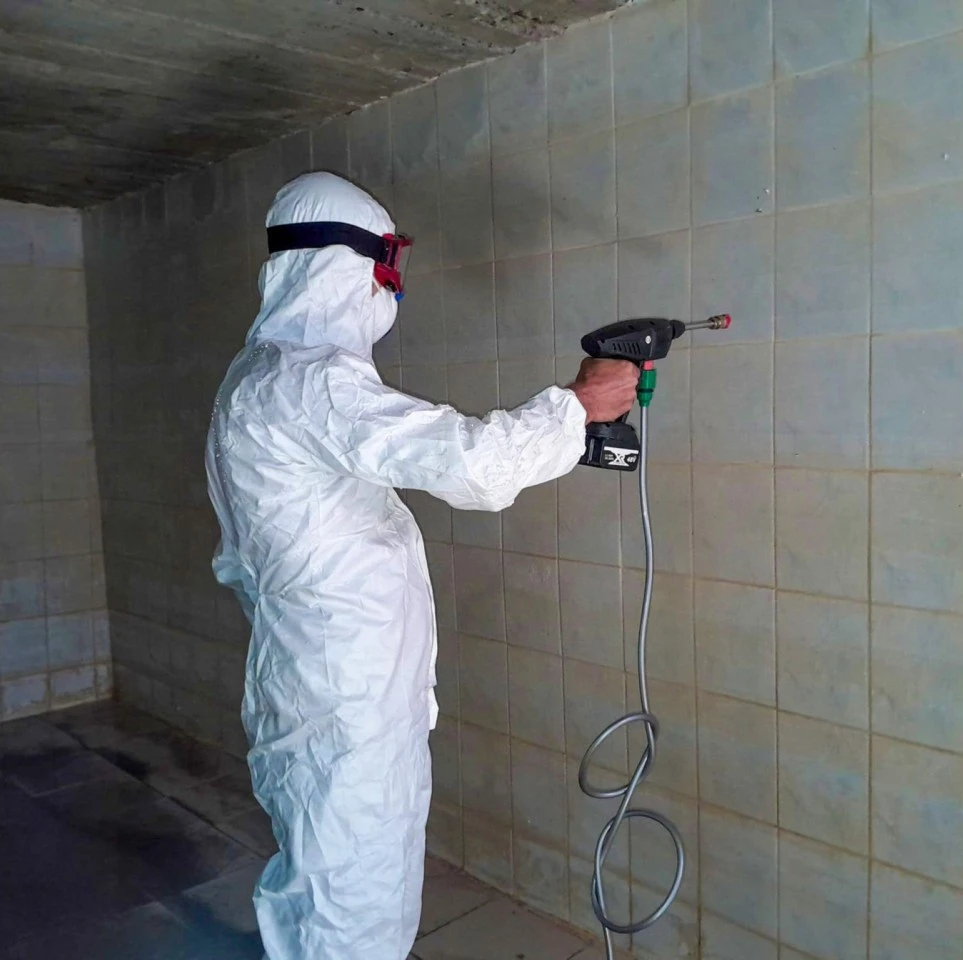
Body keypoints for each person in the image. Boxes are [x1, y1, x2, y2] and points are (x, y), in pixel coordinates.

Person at [204, 171, 638, 960]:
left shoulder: (256, 374)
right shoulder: (310, 381)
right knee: (354, 890)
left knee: (321, 872)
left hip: (310, 671)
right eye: (386, 265)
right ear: (347, 266)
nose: (391, 289)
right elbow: (471, 464)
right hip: (346, 689)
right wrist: (578, 405)